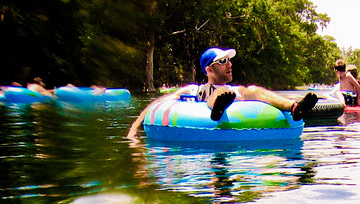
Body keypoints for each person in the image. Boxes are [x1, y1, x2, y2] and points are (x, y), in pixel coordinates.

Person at [127, 47, 318, 140]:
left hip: (232, 105)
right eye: (222, 61)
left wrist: (293, 103)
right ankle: (217, 108)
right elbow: (156, 104)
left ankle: (294, 108)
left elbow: (259, 94)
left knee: (253, 90)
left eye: (229, 60)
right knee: (219, 92)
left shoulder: (239, 91)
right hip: (208, 108)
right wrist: (134, 130)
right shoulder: (194, 89)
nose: (229, 64)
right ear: (209, 69)